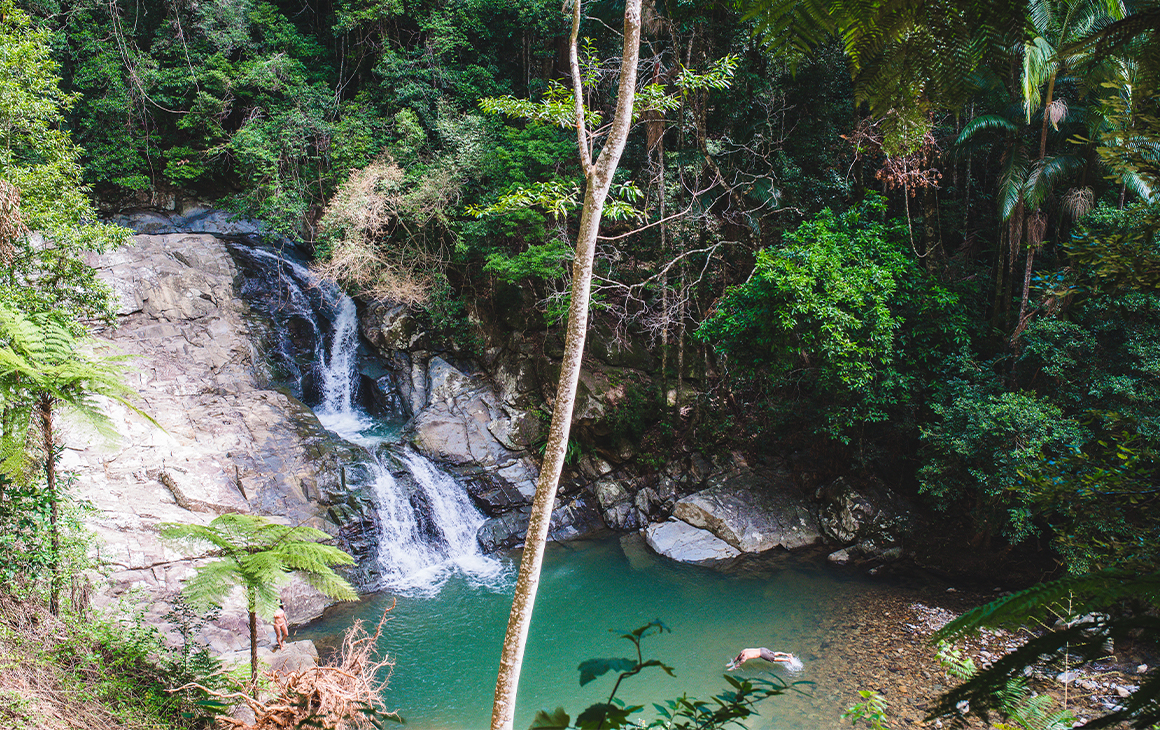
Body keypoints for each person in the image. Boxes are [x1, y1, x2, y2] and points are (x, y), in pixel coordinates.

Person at [726, 647, 796, 670]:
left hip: (762, 654)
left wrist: (732, 668)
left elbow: (738, 665)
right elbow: (737, 658)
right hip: (762, 649)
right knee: (774, 653)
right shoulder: (744, 651)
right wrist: (732, 663)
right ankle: (787, 654)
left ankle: (788, 660)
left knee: (774, 659)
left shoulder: (744, 658)